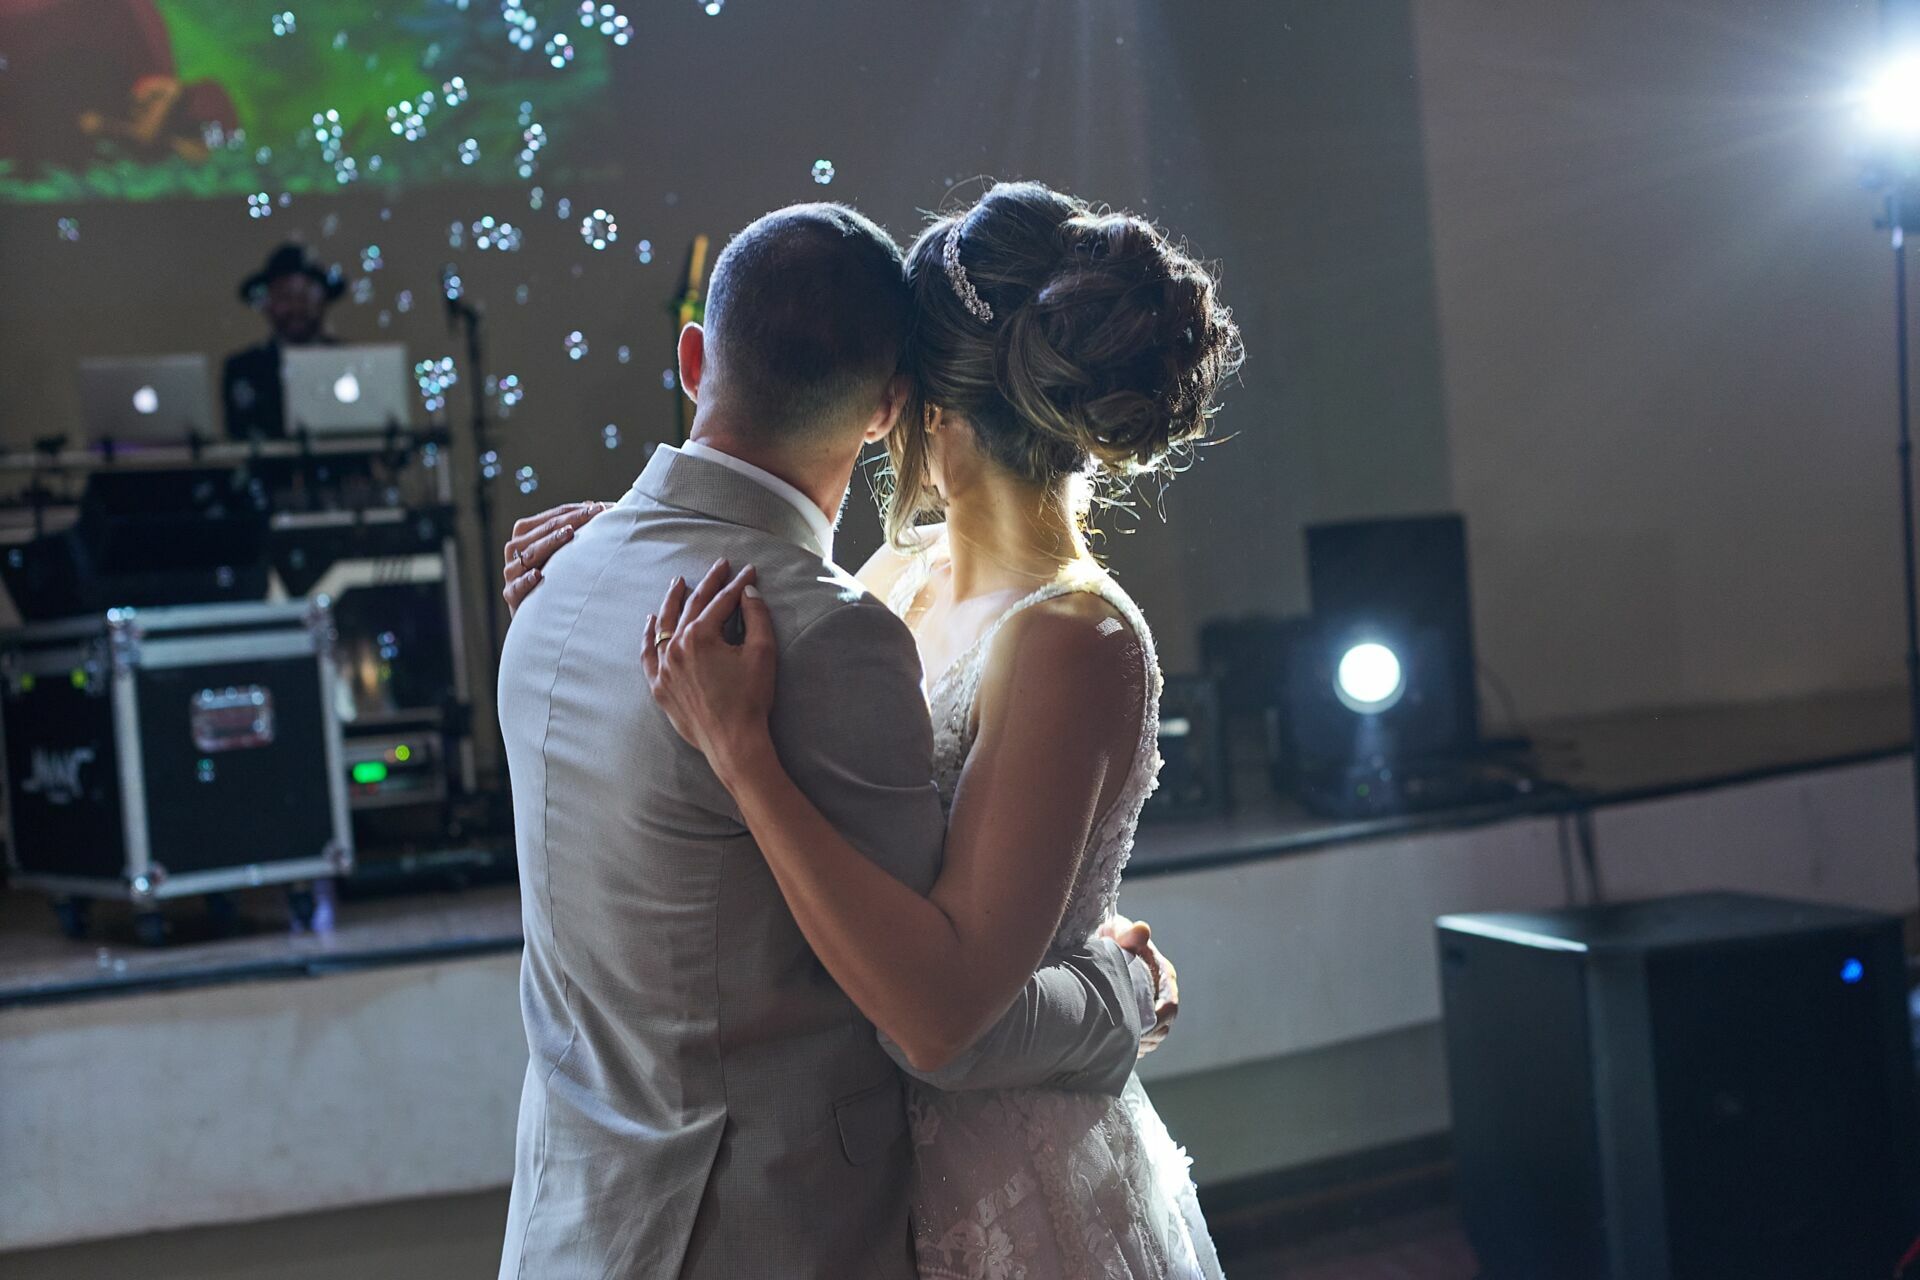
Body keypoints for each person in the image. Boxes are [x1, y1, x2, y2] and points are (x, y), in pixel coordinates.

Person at [511, 182, 1243, 1278]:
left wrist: (741, 751)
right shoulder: (890, 579)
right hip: (865, 1168)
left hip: (1005, 1169)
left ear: (915, 406)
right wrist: (633, 541)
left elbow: (947, 1000)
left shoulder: (1075, 639)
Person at [222, 242, 344, 441]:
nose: (296, 307)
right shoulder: (244, 368)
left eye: (305, 296)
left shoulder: (348, 362)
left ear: (323, 300)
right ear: (267, 303)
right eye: (284, 297)